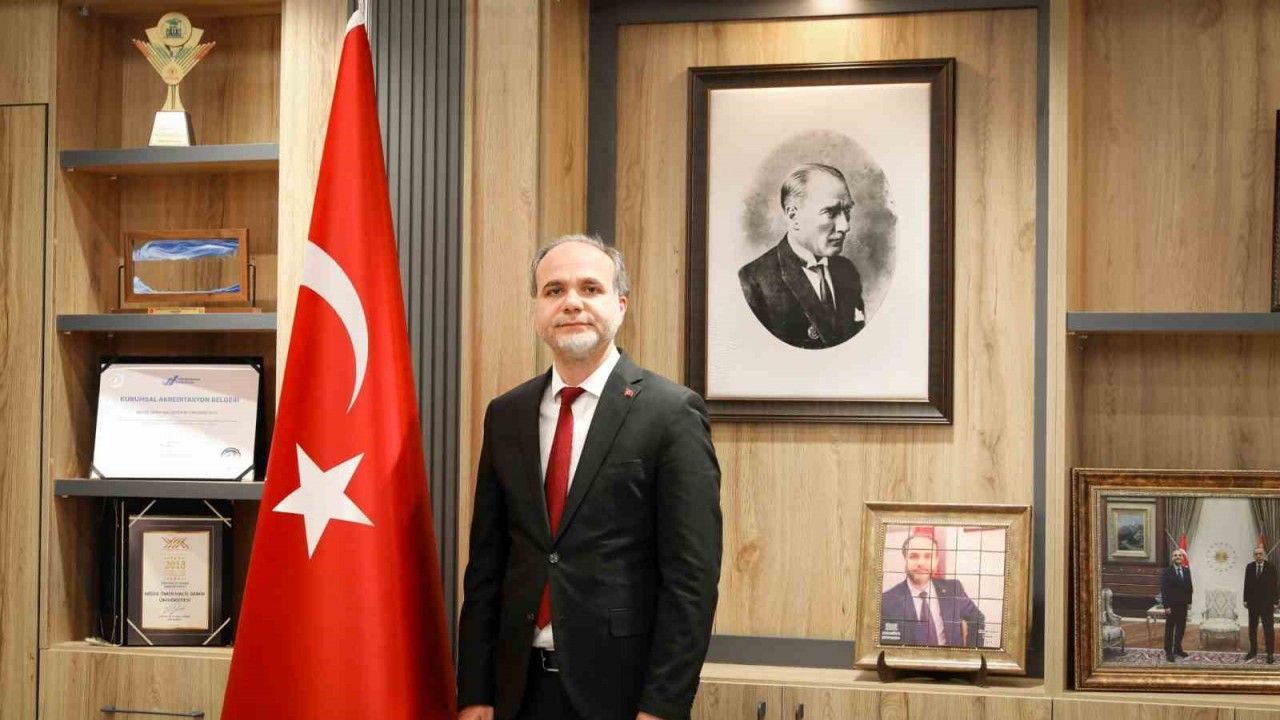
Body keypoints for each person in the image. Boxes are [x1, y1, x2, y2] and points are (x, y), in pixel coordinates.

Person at [456, 234, 723, 720]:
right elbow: (486, 568)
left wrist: (662, 706)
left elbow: (692, 580)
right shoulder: (507, 414)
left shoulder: (671, 414)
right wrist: (475, 692)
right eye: (554, 290)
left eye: (590, 288)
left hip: (621, 694)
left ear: (620, 305)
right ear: (537, 309)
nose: (572, 302)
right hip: (516, 691)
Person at [738, 163, 866, 349]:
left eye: (847, 211)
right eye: (830, 212)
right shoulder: (753, 281)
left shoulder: (847, 271)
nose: (845, 226)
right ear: (793, 216)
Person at [879, 532, 984, 647]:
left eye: (928, 556)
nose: (921, 563)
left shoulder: (954, 589)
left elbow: (978, 619)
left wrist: (971, 653)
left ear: (936, 561)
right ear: (905, 560)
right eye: (914, 556)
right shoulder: (887, 601)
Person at [1242, 545, 1278, 663]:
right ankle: (1253, 651)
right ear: (1254, 556)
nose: (1258, 556)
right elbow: (1246, 584)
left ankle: (1270, 653)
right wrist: (1245, 599)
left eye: (1260, 554)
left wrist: (1275, 602)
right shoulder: (1249, 567)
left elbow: (1275, 586)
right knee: (1252, 628)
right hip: (1253, 604)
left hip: (1267, 604)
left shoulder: (1271, 567)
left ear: (1264, 555)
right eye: (1256, 554)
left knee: (1268, 629)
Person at [1159, 548, 1193, 662]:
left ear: (1183, 558)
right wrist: (1166, 606)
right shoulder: (1166, 571)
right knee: (1170, 629)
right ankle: (1168, 651)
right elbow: (1164, 590)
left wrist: (1189, 602)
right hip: (1171, 606)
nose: (1178, 557)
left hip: (1183, 605)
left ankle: (1178, 649)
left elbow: (1189, 587)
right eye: (1175, 555)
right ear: (1172, 558)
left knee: (1181, 628)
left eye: (1180, 555)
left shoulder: (1186, 570)